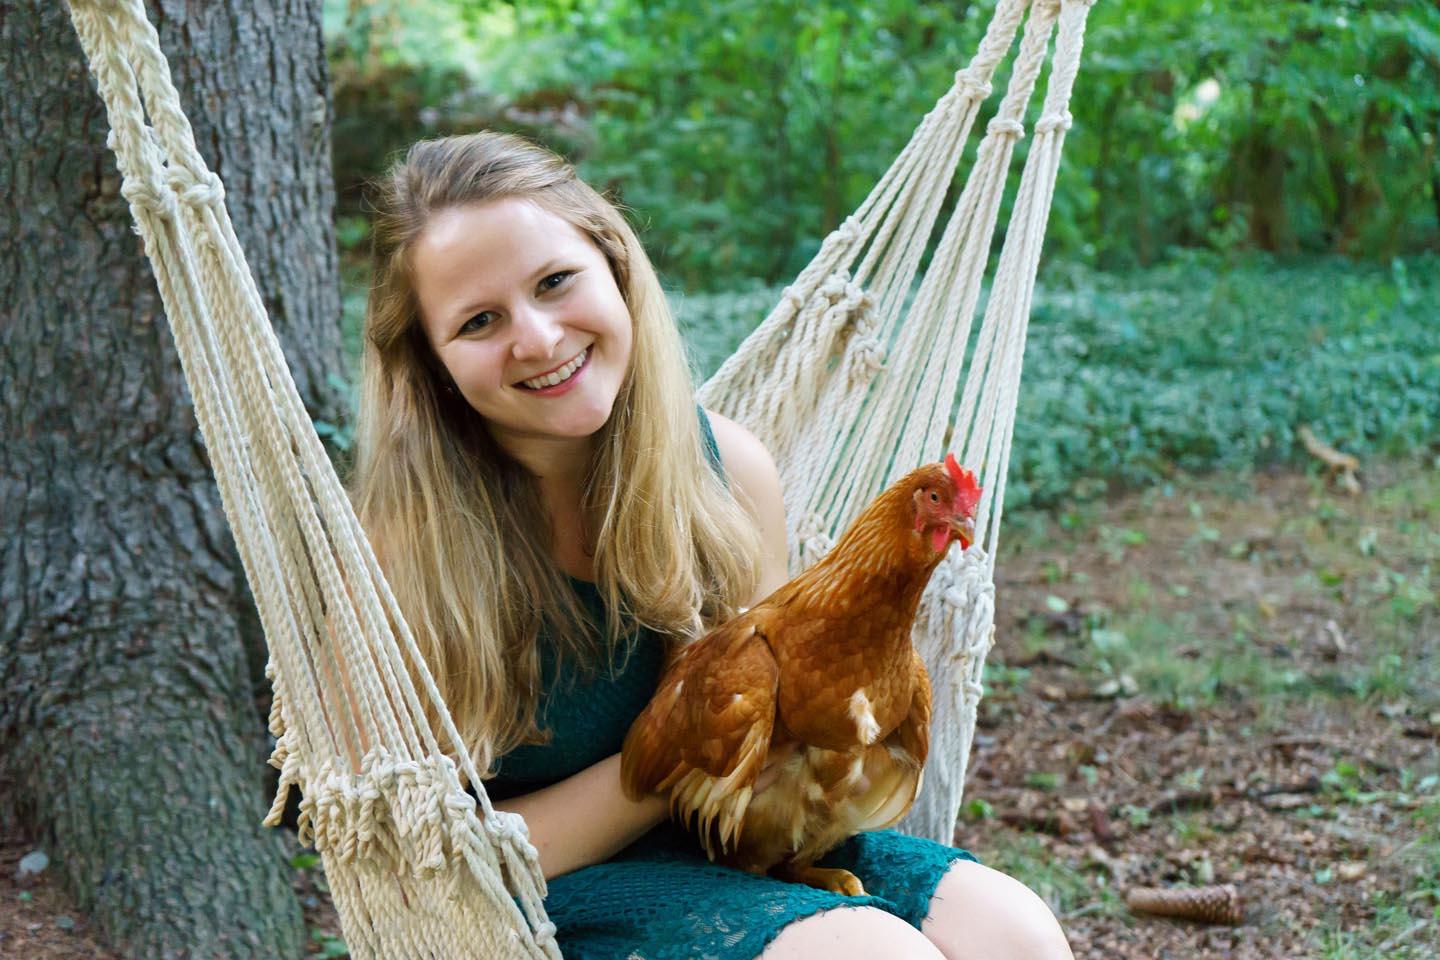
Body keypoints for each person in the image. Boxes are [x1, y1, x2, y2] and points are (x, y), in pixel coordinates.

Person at [349, 131, 1074, 960]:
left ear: (617, 270)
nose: (540, 339)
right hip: (533, 901)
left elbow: (770, 756)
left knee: (1015, 934)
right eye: (480, 321)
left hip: (741, 845)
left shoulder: (727, 474)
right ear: (433, 362)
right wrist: (676, 757)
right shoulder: (399, 556)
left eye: (555, 282)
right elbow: (409, 866)